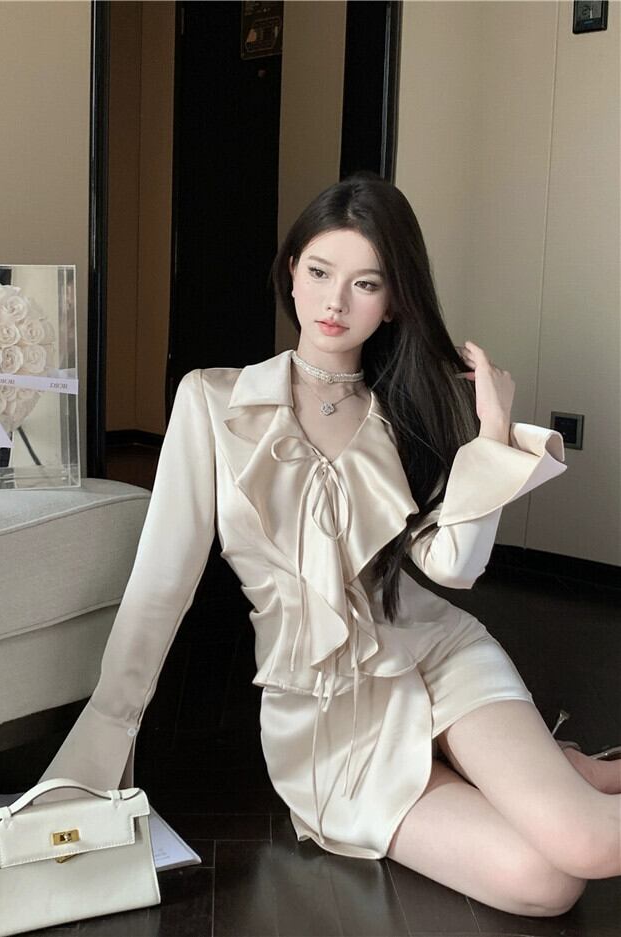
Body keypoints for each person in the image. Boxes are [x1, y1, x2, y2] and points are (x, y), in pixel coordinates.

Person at [37, 171, 620, 916]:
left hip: (441, 657)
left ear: (394, 301)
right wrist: (98, 746)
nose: (335, 302)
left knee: (590, 845)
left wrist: (493, 436)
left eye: (365, 284)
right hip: (328, 720)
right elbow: (160, 585)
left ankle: (535, 773)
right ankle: (555, 771)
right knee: (546, 884)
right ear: (291, 272)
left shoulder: (406, 408)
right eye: (319, 272)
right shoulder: (213, 400)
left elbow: (452, 567)